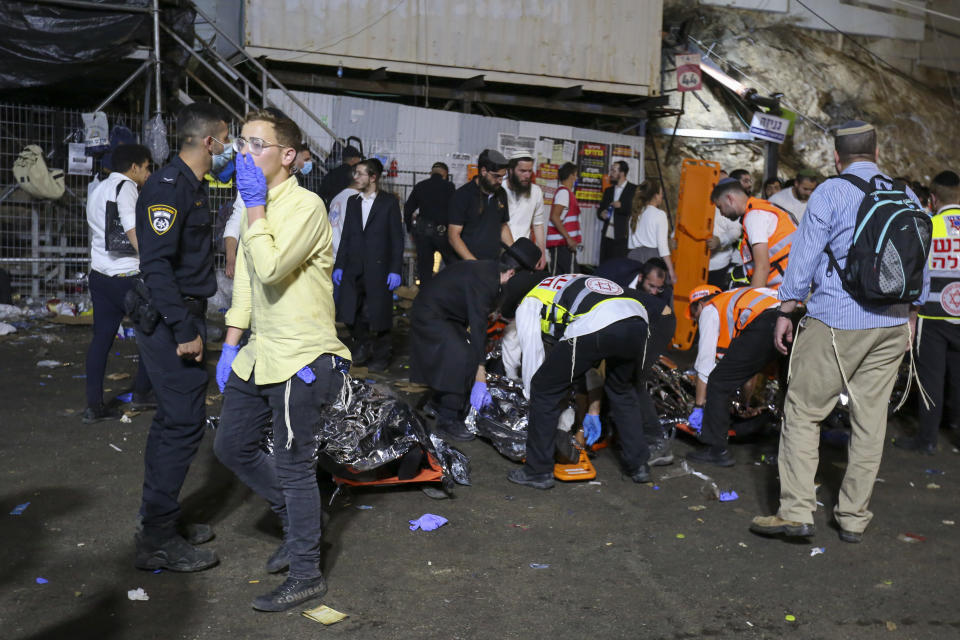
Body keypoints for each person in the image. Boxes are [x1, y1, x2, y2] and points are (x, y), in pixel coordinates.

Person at [751, 120, 926, 543]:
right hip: (892, 324)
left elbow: (805, 255)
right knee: (870, 422)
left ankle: (795, 511)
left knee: (804, 411)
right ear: (877, 152)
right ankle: (852, 517)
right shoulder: (906, 194)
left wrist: (786, 310)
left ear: (836, 157)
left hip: (837, 322)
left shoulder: (831, 191)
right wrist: (912, 317)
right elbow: (921, 259)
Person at [213, 110, 351, 612]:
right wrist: (231, 342)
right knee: (231, 446)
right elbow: (248, 283)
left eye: (257, 144)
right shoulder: (256, 203)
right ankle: (301, 527)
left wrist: (253, 209)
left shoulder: (306, 207)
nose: (244, 152)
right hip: (260, 351)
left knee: (295, 468)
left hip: (303, 356)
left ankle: (307, 572)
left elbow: (270, 269)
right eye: (243, 142)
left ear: (287, 155)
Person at [132, 103, 231, 572]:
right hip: (173, 323)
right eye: (227, 139)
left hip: (179, 317)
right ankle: (156, 540)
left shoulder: (189, 186)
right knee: (183, 425)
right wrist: (184, 329)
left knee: (174, 423)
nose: (230, 148)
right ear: (208, 142)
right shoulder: (169, 188)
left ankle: (161, 522)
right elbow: (156, 265)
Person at [508, 273, 654, 489]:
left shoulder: (530, 301)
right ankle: (639, 465)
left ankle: (537, 471)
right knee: (622, 390)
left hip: (598, 324)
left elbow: (532, 354)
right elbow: (589, 362)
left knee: (543, 388)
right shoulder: (566, 281)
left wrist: (534, 396)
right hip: (638, 322)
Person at [408, 238, 540, 442]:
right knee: (462, 356)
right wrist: (480, 373)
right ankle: (447, 420)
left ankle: (436, 402)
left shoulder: (491, 270)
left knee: (463, 350)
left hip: (447, 314)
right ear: (512, 273)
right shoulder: (484, 281)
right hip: (430, 314)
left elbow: (486, 309)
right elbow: (478, 328)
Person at [83, 143, 154, 423]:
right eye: (147, 167)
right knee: (152, 335)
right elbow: (131, 228)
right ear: (134, 167)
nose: (149, 173)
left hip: (100, 276)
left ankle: (94, 405)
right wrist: (150, 265)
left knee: (101, 340)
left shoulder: (98, 188)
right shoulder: (126, 188)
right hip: (128, 279)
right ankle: (142, 393)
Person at [894, 170, 960, 455]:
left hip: (931, 316)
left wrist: (911, 313)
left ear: (932, 198)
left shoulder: (928, 227)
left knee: (930, 379)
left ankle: (927, 439)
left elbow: (916, 274)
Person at [684, 285, 783, 466]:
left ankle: (717, 449)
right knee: (788, 386)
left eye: (693, 312)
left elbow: (705, 368)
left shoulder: (711, 309)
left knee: (718, 382)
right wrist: (745, 404)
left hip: (769, 321)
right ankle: (786, 453)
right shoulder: (738, 301)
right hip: (793, 316)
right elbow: (751, 370)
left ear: (700, 304)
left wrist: (698, 406)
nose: (695, 318)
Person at [333, 159, 404, 372]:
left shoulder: (389, 203)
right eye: (356, 173)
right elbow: (346, 236)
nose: (356, 177)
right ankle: (363, 345)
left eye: (361, 174)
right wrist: (340, 265)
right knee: (350, 311)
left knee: (379, 314)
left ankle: (382, 355)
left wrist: (395, 269)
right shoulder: (353, 202)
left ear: (373, 177)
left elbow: (396, 238)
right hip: (354, 267)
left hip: (379, 268)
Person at [712, 177, 797, 288]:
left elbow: (762, 267)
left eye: (720, 207)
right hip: (790, 283)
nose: (722, 213)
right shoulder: (760, 207)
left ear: (729, 199)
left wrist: (753, 302)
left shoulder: (754, 216)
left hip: (784, 288)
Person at [448, 149, 513, 261]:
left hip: (492, 263)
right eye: (496, 176)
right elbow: (453, 236)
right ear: (483, 171)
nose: (500, 181)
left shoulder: (501, 193)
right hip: (467, 265)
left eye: (502, 176)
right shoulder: (463, 195)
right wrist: (475, 264)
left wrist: (515, 255)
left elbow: (503, 226)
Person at [404, 161, 456, 285]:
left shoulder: (420, 186)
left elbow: (408, 209)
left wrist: (410, 229)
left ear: (431, 173)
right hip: (443, 234)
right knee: (452, 266)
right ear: (445, 174)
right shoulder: (450, 187)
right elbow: (456, 210)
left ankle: (425, 298)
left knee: (425, 272)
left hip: (423, 234)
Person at [503, 151, 548, 270]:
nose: (527, 175)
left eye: (529, 171)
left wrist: (542, 253)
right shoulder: (500, 189)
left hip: (523, 256)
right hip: (499, 253)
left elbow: (538, 224)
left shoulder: (536, 192)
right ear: (511, 170)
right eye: (522, 171)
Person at [627, 178, 676, 284]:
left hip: (633, 257)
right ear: (655, 195)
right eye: (661, 193)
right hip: (653, 260)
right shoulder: (660, 215)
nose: (662, 196)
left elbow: (630, 245)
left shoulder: (635, 214)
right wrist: (671, 271)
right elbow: (663, 247)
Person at [546, 162, 582, 274]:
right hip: (561, 245)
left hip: (564, 245)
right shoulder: (564, 193)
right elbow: (555, 217)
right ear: (572, 175)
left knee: (567, 277)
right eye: (576, 175)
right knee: (563, 278)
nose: (576, 178)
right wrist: (568, 238)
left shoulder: (566, 193)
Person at [597, 160, 636, 262]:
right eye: (611, 170)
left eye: (614, 171)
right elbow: (600, 210)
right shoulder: (608, 191)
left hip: (622, 237)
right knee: (605, 265)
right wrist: (601, 214)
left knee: (618, 266)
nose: (611, 174)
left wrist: (621, 206)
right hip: (607, 235)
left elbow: (635, 210)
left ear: (622, 173)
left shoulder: (633, 189)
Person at [707, 205, 743, 290]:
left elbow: (736, 230)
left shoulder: (725, 206)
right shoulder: (694, 202)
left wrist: (720, 240)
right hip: (693, 264)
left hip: (717, 266)